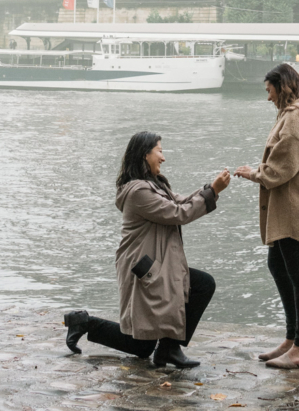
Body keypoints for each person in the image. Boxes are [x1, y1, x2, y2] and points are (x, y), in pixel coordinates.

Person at [64, 131, 230, 369]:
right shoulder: (138, 192)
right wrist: (212, 192)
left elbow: (179, 202)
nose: (163, 157)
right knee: (200, 287)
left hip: (157, 265)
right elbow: (177, 214)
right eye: (160, 151)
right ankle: (164, 348)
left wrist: (210, 189)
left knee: (143, 345)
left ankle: (167, 349)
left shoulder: (154, 184)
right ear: (145, 155)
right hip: (145, 268)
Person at [233, 62, 299, 370]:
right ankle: (292, 339)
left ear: (281, 86)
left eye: (269, 90)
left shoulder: (298, 118)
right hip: (291, 205)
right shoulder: (294, 114)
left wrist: (254, 173)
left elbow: (282, 168)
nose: (268, 97)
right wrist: (259, 171)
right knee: (279, 265)